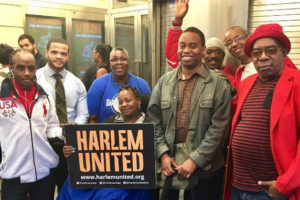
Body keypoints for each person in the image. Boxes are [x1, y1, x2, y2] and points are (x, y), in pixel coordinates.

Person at [148, 27, 231, 200]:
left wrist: (195, 160)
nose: (186, 50)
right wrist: (162, 154)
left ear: (203, 50)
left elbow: (218, 130)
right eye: (182, 45)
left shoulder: (218, 85)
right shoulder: (164, 82)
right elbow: (153, 121)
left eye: (193, 46)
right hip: (169, 168)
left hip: (205, 174)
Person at [224, 23, 300, 200]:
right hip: (237, 185)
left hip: (271, 191)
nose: (263, 57)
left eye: (271, 51)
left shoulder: (296, 83)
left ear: (284, 52)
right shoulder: (246, 83)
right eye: (257, 53)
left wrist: (285, 184)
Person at [57, 85, 153, 200]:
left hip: (133, 177)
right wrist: (72, 149)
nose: (124, 105)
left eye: (128, 100)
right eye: (120, 102)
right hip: (107, 172)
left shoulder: (150, 124)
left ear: (138, 101)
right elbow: (92, 147)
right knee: (71, 184)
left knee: (110, 195)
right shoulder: (110, 121)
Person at [0, 49, 64, 200]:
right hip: (13, 174)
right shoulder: (2, 98)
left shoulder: (44, 96)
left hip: (45, 174)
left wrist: (63, 132)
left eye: (31, 68)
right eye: (21, 67)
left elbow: (51, 128)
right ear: (11, 68)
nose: (27, 73)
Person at [36, 38, 89, 191]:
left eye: (63, 53)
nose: (59, 56)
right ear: (46, 53)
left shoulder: (77, 83)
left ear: (68, 56)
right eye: (54, 52)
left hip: (69, 146)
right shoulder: (34, 80)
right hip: (42, 145)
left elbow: (83, 115)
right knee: (43, 192)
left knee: (68, 191)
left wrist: (71, 132)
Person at [165, 0, 236, 87]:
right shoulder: (189, 72)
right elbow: (172, 56)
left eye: (218, 52)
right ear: (203, 52)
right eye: (209, 52)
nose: (213, 56)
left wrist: (230, 88)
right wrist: (177, 21)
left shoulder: (231, 79)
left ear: (224, 55)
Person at [87, 47, 151, 124]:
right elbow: (92, 119)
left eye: (123, 59)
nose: (119, 62)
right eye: (114, 60)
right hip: (106, 133)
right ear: (110, 63)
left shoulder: (142, 85)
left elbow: (150, 115)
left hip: (138, 134)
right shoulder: (98, 85)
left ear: (128, 62)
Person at [224, 25, 297, 88]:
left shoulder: (275, 58)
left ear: (249, 37)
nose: (234, 44)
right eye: (229, 43)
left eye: (238, 38)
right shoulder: (239, 71)